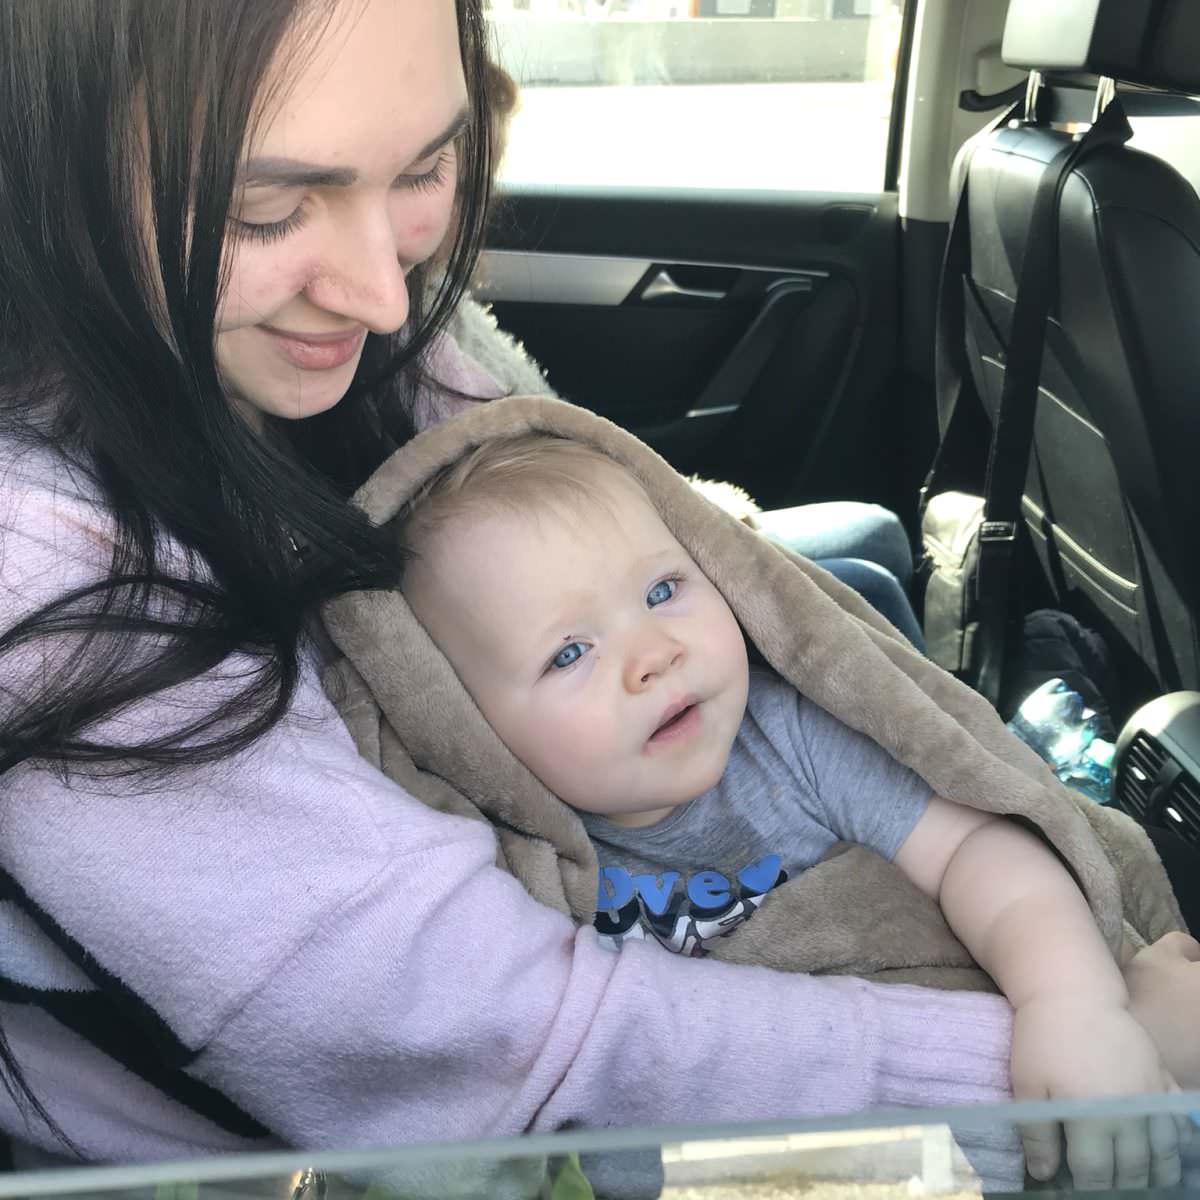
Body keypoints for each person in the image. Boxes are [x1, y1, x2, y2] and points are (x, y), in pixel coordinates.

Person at [0, 0, 1182, 1192]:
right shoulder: (45, 582)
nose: (387, 299)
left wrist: (1077, 988)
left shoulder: (328, 348)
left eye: (426, 167)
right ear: (51, 158)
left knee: (861, 558)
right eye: (268, 209)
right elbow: (510, 1045)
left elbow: (545, 511)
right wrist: (1118, 1067)